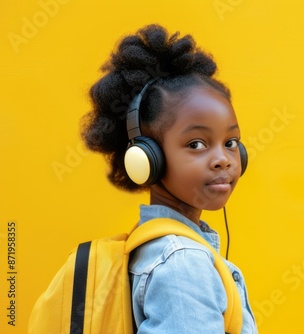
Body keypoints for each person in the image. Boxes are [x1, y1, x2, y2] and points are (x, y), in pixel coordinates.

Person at [80, 24, 257, 333]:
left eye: (230, 143)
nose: (223, 159)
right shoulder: (182, 263)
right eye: (196, 144)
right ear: (146, 159)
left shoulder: (154, 247)